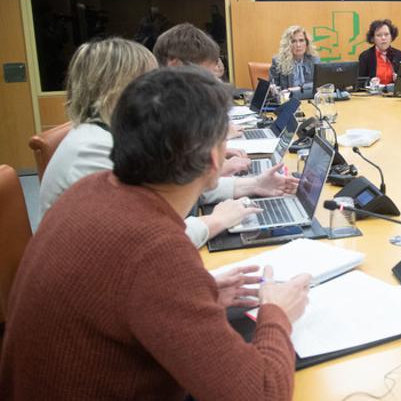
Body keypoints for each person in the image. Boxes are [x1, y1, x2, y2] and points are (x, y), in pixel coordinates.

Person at [1, 67, 310, 400]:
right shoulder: (154, 251)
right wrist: (276, 313)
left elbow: (125, 296)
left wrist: (196, 297)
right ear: (213, 159)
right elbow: (262, 394)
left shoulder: (90, 189)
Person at [40, 38, 294, 248]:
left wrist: (254, 184)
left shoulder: (111, 134)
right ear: (118, 88)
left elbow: (175, 186)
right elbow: (147, 242)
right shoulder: (92, 152)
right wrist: (215, 221)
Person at [268, 25, 321, 91]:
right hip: (287, 97)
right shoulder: (278, 62)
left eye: (301, 40)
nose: (298, 45)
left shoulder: (314, 60)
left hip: (308, 97)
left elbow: (319, 84)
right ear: (288, 44)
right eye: (293, 41)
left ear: (307, 43)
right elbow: (273, 87)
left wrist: (300, 88)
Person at [358, 19, 401, 85]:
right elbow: (360, 81)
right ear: (373, 38)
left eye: (386, 34)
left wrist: (400, 79)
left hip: (394, 91)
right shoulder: (365, 56)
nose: (383, 38)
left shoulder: (399, 55)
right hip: (374, 91)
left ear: (391, 37)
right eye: (379, 35)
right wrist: (370, 81)